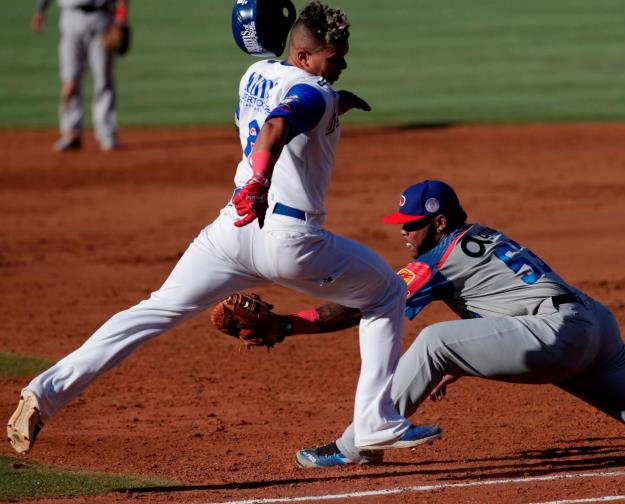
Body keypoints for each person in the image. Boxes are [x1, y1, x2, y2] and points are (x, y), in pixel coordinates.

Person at [7, 1, 441, 456]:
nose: (343, 63)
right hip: (289, 240)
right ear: (304, 57)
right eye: (334, 57)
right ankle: (373, 421)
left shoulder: (255, 76)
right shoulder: (313, 92)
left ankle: (45, 392)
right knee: (387, 293)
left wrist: (337, 103)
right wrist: (261, 179)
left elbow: (268, 115)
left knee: (152, 311)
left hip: (231, 233)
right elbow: (276, 126)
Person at [216, 179, 625, 468]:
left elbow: (361, 307)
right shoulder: (479, 238)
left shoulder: (442, 254)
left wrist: (287, 326)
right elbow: (492, 306)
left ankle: (354, 447)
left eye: (409, 223)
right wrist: (473, 348)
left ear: (436, 221)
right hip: (590, 324)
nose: (401, 231)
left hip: (556, 336)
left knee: (432, 341)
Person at [31, 0, 129, 152]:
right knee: (70, 80)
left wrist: (121, 19)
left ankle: (107, 133)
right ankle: (71, 132)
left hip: (102, 18)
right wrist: (40, 10)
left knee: (104, 79)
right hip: (71, 18)